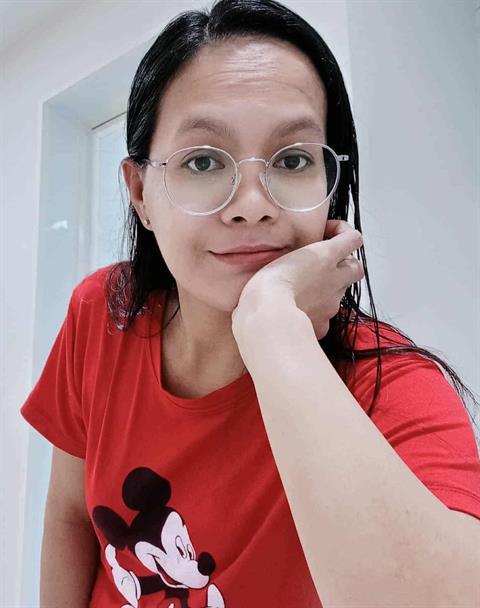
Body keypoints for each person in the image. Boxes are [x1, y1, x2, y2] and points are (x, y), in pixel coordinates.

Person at [20, 1, 480, 607]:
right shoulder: (103, 311)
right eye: (203, 161)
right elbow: (71, 514)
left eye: (293, 160)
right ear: (141, 193)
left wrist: (272, 328)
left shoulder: (388, 384)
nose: (252, 206)